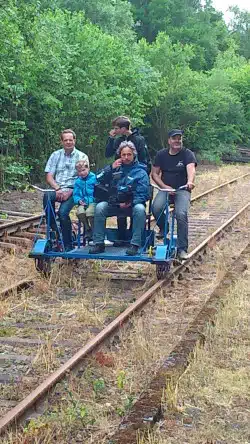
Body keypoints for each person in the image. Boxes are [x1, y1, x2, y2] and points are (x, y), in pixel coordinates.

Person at [89, 141, 150, 256]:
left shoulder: (141, 172)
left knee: (140, 209)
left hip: (131, 205)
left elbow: (143, 194)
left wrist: (129, 203)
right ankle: (99, 243)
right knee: (100, 207)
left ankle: (135, 244)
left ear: (134, 155)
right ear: (120, 155)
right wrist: (110, 168)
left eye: (129, 154)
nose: (126, 157)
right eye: (123, 155)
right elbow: (96, 179)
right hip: (114, 204)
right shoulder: (114, 169)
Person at [151, 129, 197, 260]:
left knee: (181, 214)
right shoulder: (161, 154)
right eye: (174, 138)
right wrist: (164, 187)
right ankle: (163, 228)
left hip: (182, 189)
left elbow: (191, 169)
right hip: (166, 189)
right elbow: (154, 173)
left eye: (179, 138)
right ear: (169, 141)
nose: (177, 141)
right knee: (156, 207)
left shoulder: (187, 154)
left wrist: (189, 181)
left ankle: (182, 248)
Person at [106, 116, 151, 240]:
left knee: (135, 206)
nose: (114, 130)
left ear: (123, 128)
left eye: (116, 128)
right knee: (120, 204)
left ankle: (133, 236)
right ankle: (121, 236)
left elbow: (145, 159)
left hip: (137, 176)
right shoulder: (118, 140)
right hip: (120, 176)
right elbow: (108, 153)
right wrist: (111, 138)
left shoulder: (139, 139)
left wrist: (142, 175)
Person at [43, 129, 89, 251]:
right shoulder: (55, 155)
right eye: (65, 140)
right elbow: (49, 176)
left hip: (75, 190)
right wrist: (57, 189)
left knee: (63, 213)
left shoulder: (82, 156)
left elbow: (83, 178)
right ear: (62, 142)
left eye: (70, 140)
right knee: (47, 197)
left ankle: (68, 245)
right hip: (58, 188)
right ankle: (55, 227)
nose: (68, 142)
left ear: (74, 140)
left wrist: (70, 191)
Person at [73, 160, 96, 241]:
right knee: (80, 212)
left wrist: (96, 199)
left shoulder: (94, 178)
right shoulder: (78, 182)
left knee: (90, 213)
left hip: (93, 201)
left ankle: (95, 231)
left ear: (88, 169)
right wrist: (78, 200)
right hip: (83, 201)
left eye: (83, 170)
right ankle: (87, 228)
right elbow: (75, 194)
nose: (82, 173)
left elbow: (99, 190)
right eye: (79, 171)